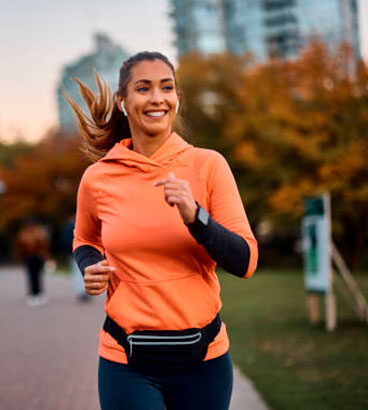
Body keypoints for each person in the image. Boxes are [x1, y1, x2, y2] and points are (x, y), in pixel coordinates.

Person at [69, 52, 258, 410]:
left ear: (177, 99)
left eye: (166, 87)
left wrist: (195, 216)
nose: (157, 98)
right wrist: (90, 266)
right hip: (126, 361)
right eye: (144, 88)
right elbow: (85, 238)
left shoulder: (208, 165)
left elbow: (246, 260)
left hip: (204, 361)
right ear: (123, 102)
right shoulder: (98, 178)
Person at [15, 220, 51, 307]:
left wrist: (45, 256)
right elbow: (21, 247)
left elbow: (44, 245)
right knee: (31, 276)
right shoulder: (25, 234)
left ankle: (38, 292)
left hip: (37, 257)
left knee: (37, 275)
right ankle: (33, 293)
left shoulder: (38, 233)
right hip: (29, 257)